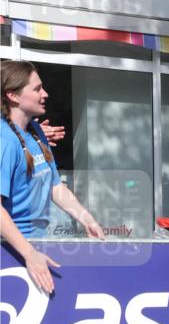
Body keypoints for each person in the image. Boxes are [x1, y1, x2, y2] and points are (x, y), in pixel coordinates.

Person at [1, 60, 103, 295]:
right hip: (12, 253)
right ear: (13, 95)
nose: (44, 94)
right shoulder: (4, 141)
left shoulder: (35, 132)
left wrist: (87, 219)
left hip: (38, 246)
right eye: (36, 89)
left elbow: (55, 186)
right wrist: (28, 253)